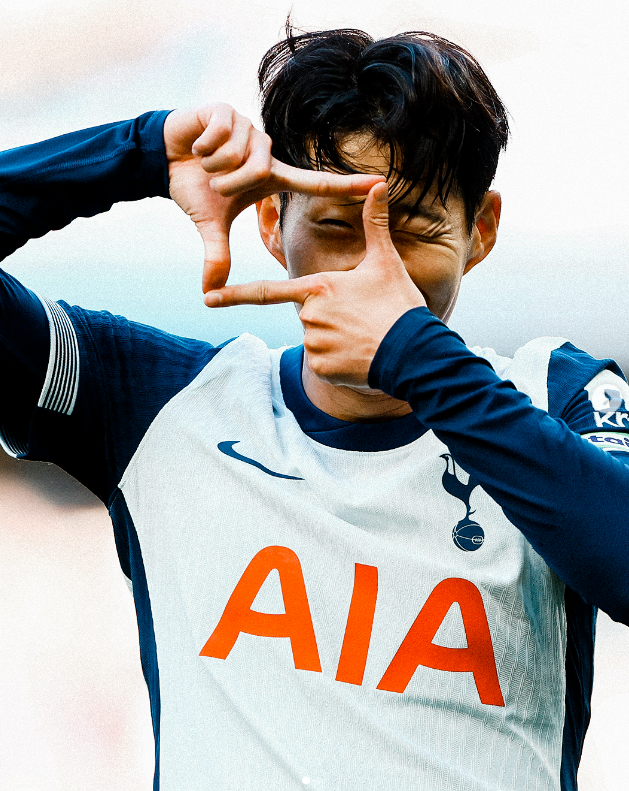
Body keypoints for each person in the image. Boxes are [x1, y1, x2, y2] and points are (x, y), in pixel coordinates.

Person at [1, 25, 629, 791]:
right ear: (271, 222)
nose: (372, 272)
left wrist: (415, 355)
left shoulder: (557, 395)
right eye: (335, 225)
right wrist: (134, 153)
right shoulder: (151, 399)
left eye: (414, 229)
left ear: (480, 230)